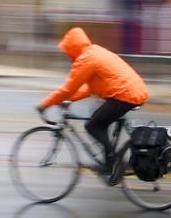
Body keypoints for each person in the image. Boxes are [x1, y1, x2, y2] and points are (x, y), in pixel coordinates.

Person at [37, 27, 150, 176]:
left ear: (73, 48)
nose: (68, 56)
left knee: (93, 126)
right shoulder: (95, 52)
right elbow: (88, 89)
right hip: (132, 91)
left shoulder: (85, 59)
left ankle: (114, 163)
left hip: (125, 95)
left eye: (67, 51)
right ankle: (110, 163)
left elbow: (68, 88)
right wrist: (70, 99)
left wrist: (45, 104)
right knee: (97, 115)